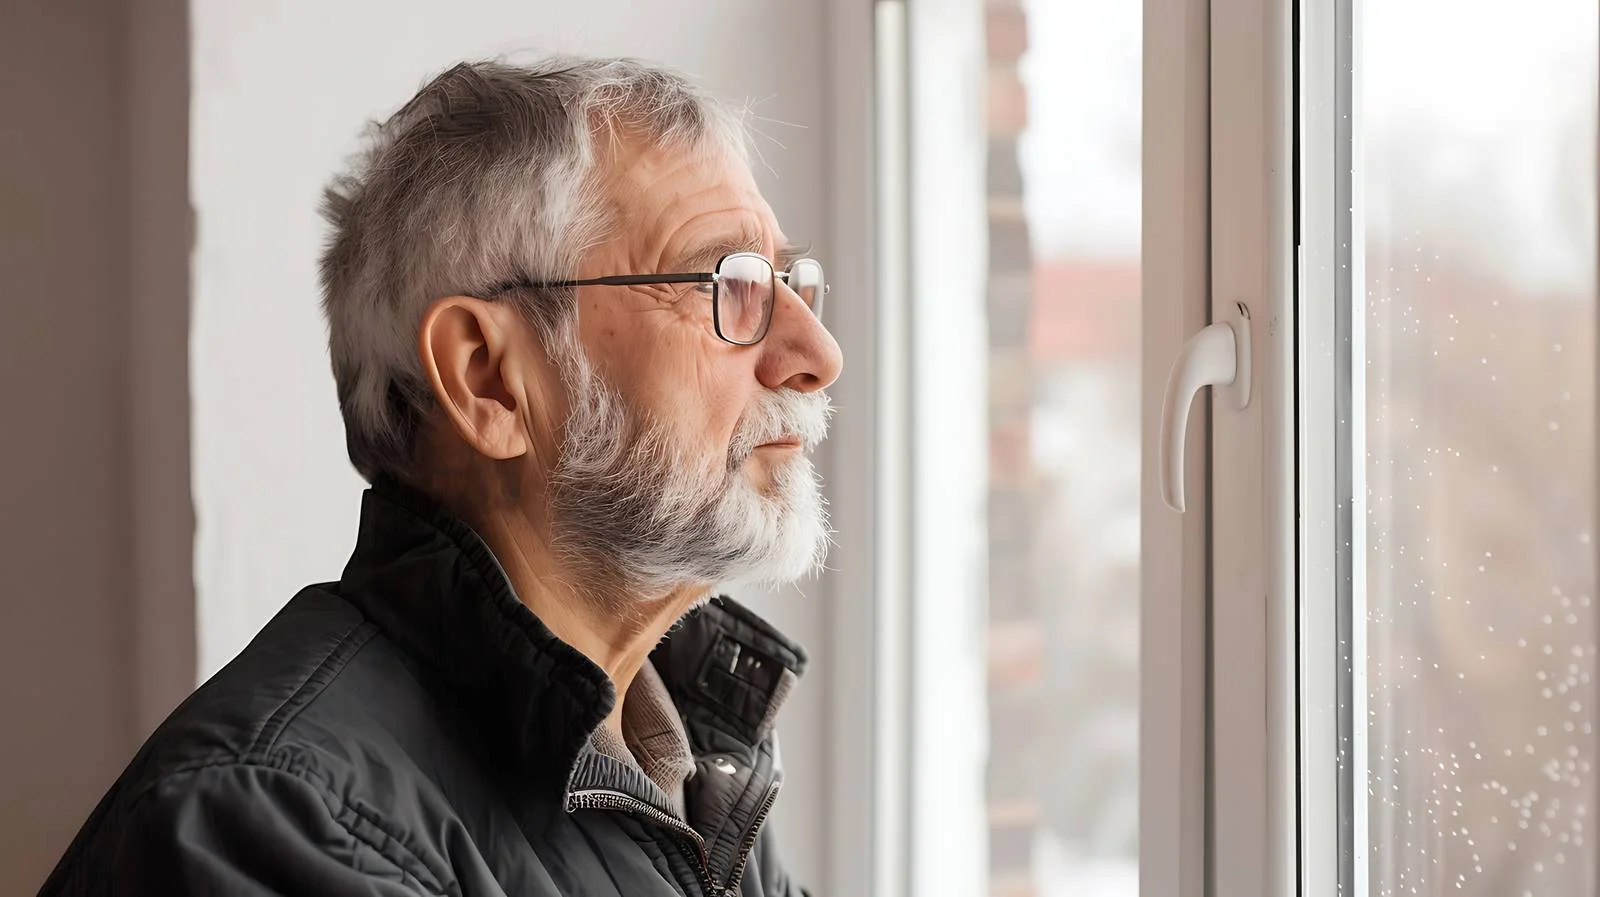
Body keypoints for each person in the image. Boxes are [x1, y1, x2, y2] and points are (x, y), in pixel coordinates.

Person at [40, 56, 840, 897]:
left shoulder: (678, 755)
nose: (817, 356)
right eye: (731, 285)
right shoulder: (271, 825)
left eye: (791, 283)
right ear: (487, 378)